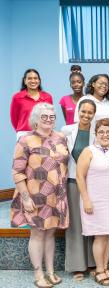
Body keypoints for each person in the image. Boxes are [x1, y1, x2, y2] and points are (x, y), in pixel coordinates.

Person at [11, 103, 69, 288]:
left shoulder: (60, 137)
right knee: (37, 234)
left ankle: (50, 271)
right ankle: (38, 274)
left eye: (52, 117)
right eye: (44, 116)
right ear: (35, 118)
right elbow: (18, 172)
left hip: (56, 195)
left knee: (51, 233)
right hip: (35, 196)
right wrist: (26, 198)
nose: (49, 120)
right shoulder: (25, 140)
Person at [76, 118, 109, 285]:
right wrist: (86, 200)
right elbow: (79, 177)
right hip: (96, 199)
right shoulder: (89, 151)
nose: (105, 135)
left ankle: (105, 267)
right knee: (100, 235)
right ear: (95, 134)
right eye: (101, 132)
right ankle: (98, 269)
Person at [61, 99, 96, 281]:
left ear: (94, 114)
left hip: (92, 183)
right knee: (75, 223)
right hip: (73, 181)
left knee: (91, 221)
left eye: (90, 112)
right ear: (78, 111)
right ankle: (77, 265)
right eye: (83, 111)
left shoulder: (96, 132)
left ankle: (92, 261)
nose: (86, 115)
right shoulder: (67, 130)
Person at [10, 69, 53, 139]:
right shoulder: (17, 97)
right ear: (25, 81)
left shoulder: (47, 97)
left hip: (43, 133)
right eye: (29, 78)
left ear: (39, 80)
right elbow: (14, 119)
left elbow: (50, 117)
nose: (33, 81)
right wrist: (21, 131)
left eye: (35, 78)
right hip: (24, 134)